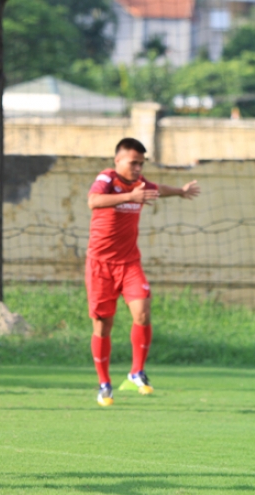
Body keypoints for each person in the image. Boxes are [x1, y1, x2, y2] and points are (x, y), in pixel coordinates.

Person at [86, 137, 199, 406]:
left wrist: (181, 191)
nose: (137, 168)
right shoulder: (107, 178)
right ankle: (104, 383)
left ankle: (137, 371)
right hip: (100, 265)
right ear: (118, 160)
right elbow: (92, 200)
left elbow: (158, 188)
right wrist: (129, 197)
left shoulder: (141, 185)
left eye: (141, 163)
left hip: (129, 264)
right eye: (133, 162)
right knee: (103, 325)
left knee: (143, 312)